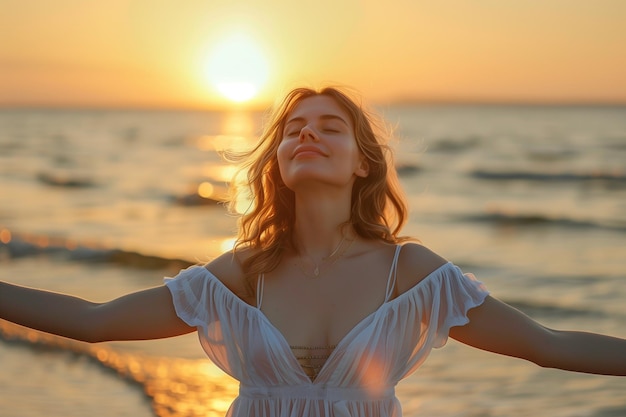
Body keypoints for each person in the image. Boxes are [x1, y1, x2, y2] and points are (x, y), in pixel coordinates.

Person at [0, 86, 625, 417]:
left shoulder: (412, 276)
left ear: (363, 164)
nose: (306, 135)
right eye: (294, 129)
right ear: (277, 160)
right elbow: (95, 321)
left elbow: (549, 346)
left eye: (330, 127)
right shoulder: (241, 275)